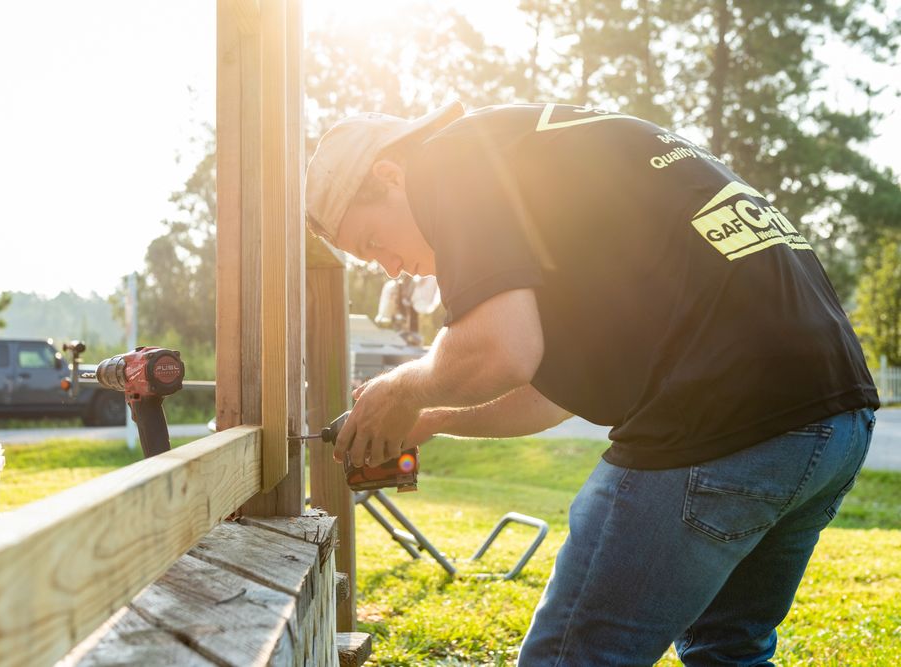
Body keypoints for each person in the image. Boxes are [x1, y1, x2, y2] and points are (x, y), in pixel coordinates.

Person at [303, 101, 879, 666]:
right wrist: (437, 419)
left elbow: (498, 349)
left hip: (724, 420)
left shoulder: (451, 159)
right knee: (729, 650)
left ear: (390, 175)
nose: (391, 268)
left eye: (372, 242)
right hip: (833, 419)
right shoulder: (550, 166)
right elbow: (549, 395)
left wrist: (400, 390)